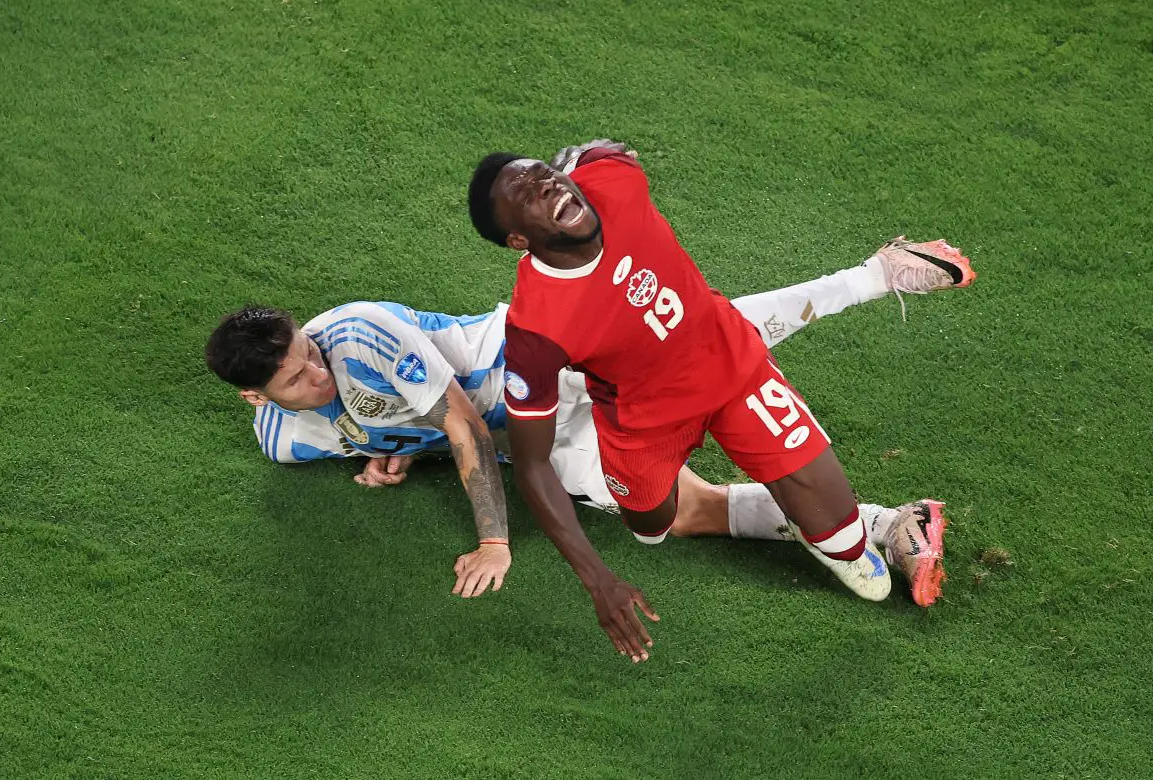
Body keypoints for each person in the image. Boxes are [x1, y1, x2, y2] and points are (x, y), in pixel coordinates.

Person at [205, 247, 969, 607]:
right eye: (295, 379)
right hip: (541, 449)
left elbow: (463, 426)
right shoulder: (286, 442)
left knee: (701, 342)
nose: (318, 371)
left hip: (542, 369)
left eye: (309, 352)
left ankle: (875, 275)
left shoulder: (357, 333)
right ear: (253, 398)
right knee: (677, 514)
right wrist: (394, 454)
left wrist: (495, 540)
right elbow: (400, 429)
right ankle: (892, 525)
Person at [468, 139, 974, 661]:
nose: (547, 186)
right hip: (643, 423)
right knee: (650, 528)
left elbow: (604, 153)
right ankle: (873, 278)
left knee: (845, 547)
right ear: (518, 240)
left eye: (545, 174)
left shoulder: (614, 180)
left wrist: (583, 155)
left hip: (730, 369)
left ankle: (873, 282)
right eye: (527, 195)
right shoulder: (537, 328)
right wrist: (598, 581)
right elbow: (532, 463)